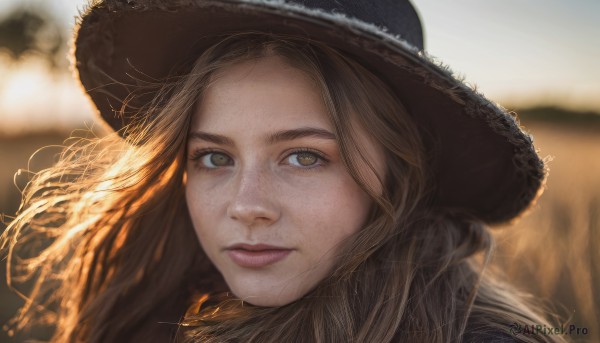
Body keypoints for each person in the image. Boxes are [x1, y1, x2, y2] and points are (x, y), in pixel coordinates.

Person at [1, 1, 567, 342]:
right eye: (214, 157)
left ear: (399, 170)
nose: (247, 205)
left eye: (305, 156)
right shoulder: (154, 303)